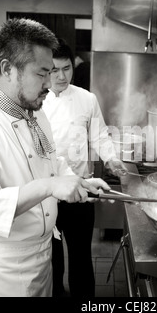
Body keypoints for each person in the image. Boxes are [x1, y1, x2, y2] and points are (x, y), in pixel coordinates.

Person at [0, 18, 111, 297]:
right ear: (8, 69)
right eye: (42, 73)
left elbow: (52, 162)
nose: (50, 83)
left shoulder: (35, 113)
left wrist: (77, 181)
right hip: (3, 270)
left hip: (41, 256)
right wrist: (48, 187)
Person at [42, 39, 127, 298]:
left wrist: (111, 158)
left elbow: (99, 135)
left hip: (81, 189)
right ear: (45, 70)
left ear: (73, 66)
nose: (61, 76)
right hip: (48, 193)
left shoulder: (86, 99)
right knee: (51, 257)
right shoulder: (37, 101)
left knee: (80, 255)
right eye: (53, 70)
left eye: (66, 68)